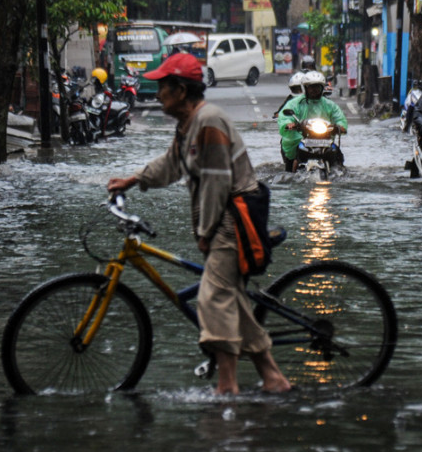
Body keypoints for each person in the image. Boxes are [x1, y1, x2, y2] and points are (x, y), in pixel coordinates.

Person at [106, 53, 293, 396]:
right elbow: (172, 163)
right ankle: (273, 377)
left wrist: (205, 232)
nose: (157, 92)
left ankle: (227, 386)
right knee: (230, 298)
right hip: (222, 215)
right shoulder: (188, 125)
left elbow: (216, 183)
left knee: (212, 299)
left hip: (232, 218)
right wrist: (132, 180)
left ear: (180, 90)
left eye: (162, 86)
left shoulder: (209, 122)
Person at [278, 70, 348, 172]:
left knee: (337, 153)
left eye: (317, 87)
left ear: (322, 88)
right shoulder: (295, 103)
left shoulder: (329, 105)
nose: (314, 90)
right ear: (305, 88)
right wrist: (290, 124)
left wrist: (340, 127)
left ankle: (340, 172)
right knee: (293, 158)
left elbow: (339, 117)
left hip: (325, 138)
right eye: (311, 87)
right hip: (302, 137)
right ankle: (291, 173)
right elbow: (284, 116)